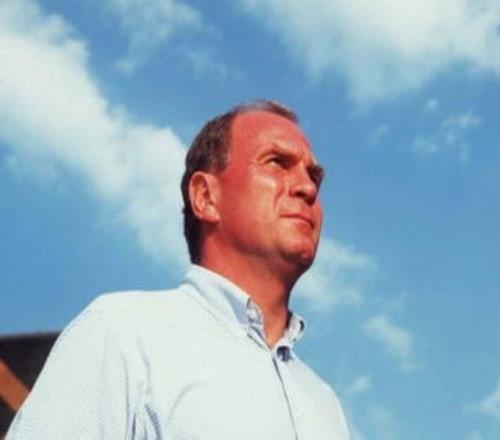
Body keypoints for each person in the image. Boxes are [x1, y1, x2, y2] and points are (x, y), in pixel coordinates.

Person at [7, 100, 349, 439]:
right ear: (205, 197)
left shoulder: (324, 403)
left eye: (314, 177)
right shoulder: (121, 334)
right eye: (276, 162)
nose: (307, 188)